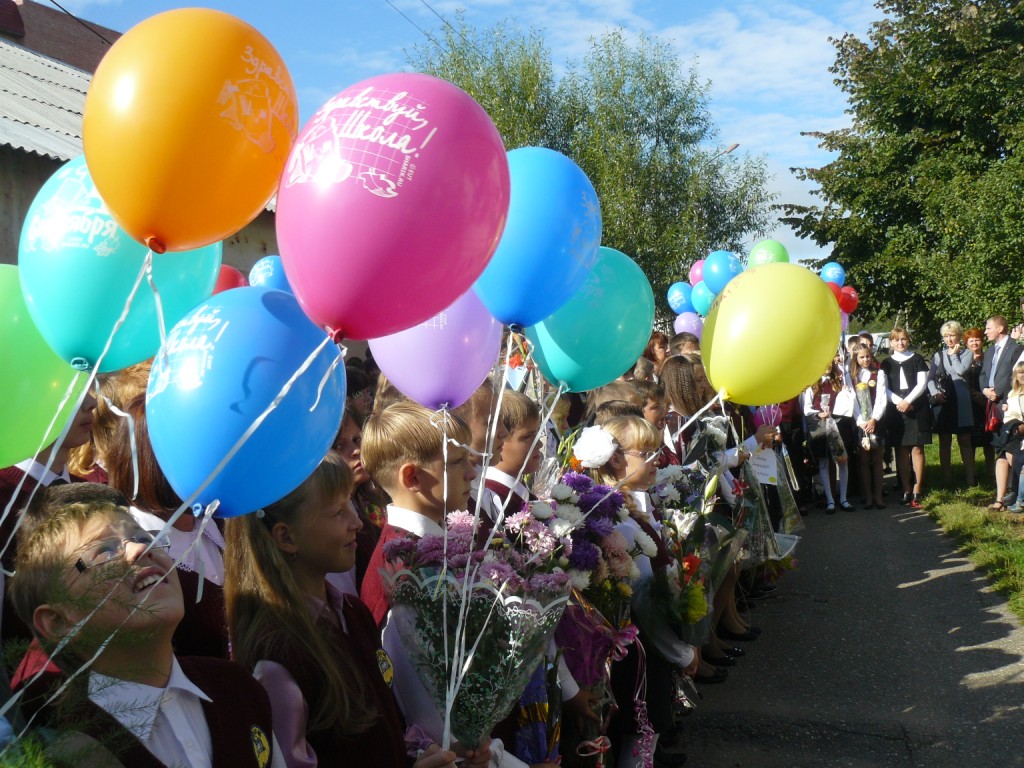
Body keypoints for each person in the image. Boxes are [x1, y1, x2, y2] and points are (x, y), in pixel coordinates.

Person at [9, 484, 284, 767]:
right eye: (104, 551)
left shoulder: (237, 687)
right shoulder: (72, 755)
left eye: (143, 536)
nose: (141, 549)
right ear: (58, 623)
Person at [225, 452, 463, 768]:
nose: (357, 522)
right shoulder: (279, 657)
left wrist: (428, 753)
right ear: (286, 536)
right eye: (338, 512)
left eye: (351, 503)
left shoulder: (352, 614)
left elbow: (385, 728)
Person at [358, 402, 527, 766]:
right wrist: (475, 750)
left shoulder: (437, 547)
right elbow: (423, 704)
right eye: (455, 463)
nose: (472, 471)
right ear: (412, 478)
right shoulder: (406, 572)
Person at [587, 417, 696, 768]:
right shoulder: (623, 524)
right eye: (646, 453)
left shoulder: (628, 510)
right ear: (616, 459)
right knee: (639, 737)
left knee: (641, 735)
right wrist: (680, 652)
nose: (657, 460)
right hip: (640, 654)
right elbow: (645, 604)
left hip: (642, 651)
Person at [329, 401, 388, 594]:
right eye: (339, 445)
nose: (355, 451)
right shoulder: (327, 524)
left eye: (357, 439)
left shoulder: (376, 502)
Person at [880, 328, 931, 508]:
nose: (900, 343)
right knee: (901, 450)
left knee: (917, 449)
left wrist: (908, 401)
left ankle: (917, 489)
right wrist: (898, 402)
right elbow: (883, 387)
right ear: (891, 343)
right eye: (896, 340)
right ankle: (906, 489)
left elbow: (922, 383)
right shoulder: (886, 363)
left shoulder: (917, 359)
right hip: (896, 409)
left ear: (908, 341)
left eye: (903, 339)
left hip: (916, 407)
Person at [980, 315, 1024, 508]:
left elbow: (1014, 376)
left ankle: (1017, 495)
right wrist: (985, 390)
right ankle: (1000, 498)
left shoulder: (1015, 347)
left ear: (999, 328)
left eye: (988, 328)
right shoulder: (989, 351)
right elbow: (983, 374)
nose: (985, 331)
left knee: (1012, 450)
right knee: (1000, 450)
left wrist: (1005, 398)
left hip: (1010, 406)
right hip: (993, 406)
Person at [802, 360, 853, 513]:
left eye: (829, 363)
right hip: (821, 428)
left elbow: (848, 398)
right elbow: (806, 408)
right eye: (822, 363)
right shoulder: (812, 385)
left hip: (838, 426)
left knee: (842, 461)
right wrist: (818, 413)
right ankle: (830, 500)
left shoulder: (839, 381)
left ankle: (843, 498)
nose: (827, 366)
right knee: (824, 462)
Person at [928, 322, 975, 485]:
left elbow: (960, 370)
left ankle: (970, 480)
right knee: (945, 441)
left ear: (959, 336)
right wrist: (935, 393)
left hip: (961, 401)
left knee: (965, 440)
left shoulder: (967, 353)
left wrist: (954, 354)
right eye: (946, 336)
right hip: (944, 400)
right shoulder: (938, 355)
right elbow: (930, 379)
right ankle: (946, 480)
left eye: (952, 335)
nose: (949, 339)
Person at [850, 343, 889, 508]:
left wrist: (874, 419)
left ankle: (879, 496)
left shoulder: (879, 373)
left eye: (868, 356)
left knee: (877, 459)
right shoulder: (851, 376)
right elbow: (852, 401)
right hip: (860, 423)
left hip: (876, 422)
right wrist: (861, 422)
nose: (865, 359)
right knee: (864, 461)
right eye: (861, 357)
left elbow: (881, 398)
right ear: (856, 359)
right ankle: (868, 497)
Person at [964, 327, 996, 478]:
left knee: (989, 441)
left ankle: (991, 474)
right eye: (971, 340)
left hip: (988, 403)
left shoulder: (990, 357)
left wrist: (987, 397)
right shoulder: (964, 359)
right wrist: (975, 396)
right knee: (970, 441)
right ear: (966, 343)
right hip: (970, 405)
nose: (975, 343)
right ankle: (971, 475)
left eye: (977, 339)